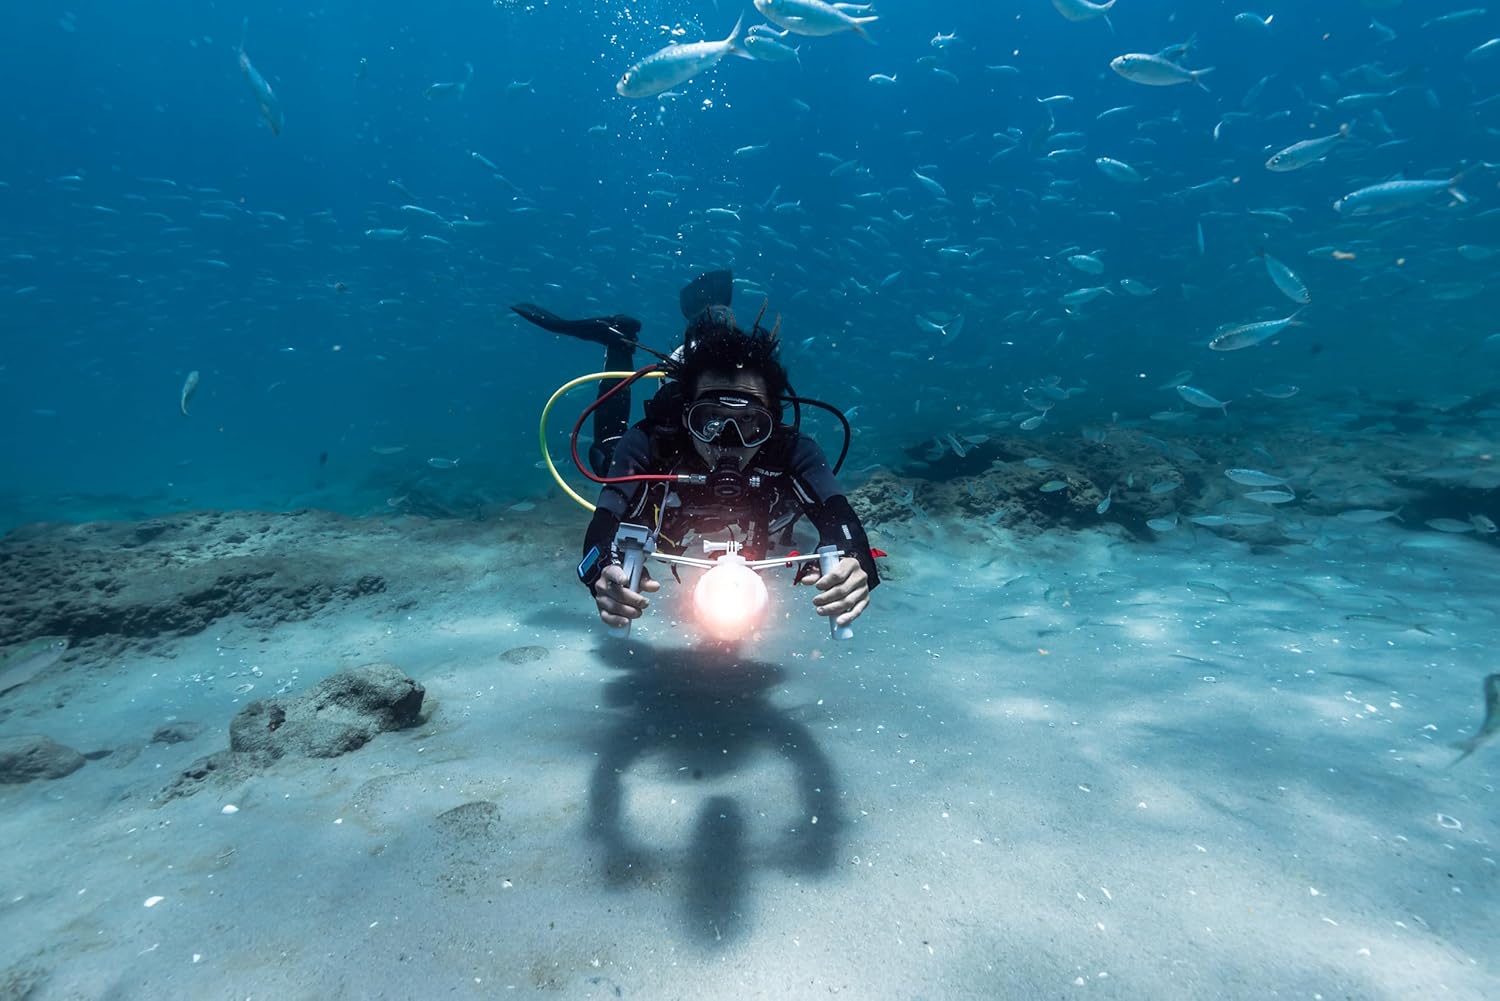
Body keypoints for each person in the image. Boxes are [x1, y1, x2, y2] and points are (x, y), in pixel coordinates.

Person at [513, 270, 880, 633]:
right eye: (711, 421)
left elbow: (840, 519)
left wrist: (856, 562)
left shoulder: (793, 450)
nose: (728, 441)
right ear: (686, 416)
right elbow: (605, 524)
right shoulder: (653, 442)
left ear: (772, 421)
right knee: (607, 454)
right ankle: (620, 341)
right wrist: (599, 571)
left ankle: (713, 308)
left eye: (750, 423)